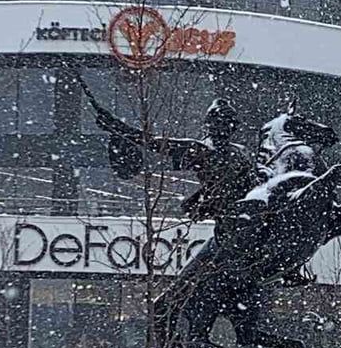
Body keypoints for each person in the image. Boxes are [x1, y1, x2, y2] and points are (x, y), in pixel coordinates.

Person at [77, 77, 261, 232]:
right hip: (239, 221)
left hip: (232, 223)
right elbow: (154, 143)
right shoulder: (234, 153)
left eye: (219, 122)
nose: (217, 126)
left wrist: (117, 127)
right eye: (217, 122)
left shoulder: (205, 151)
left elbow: (154, 143)